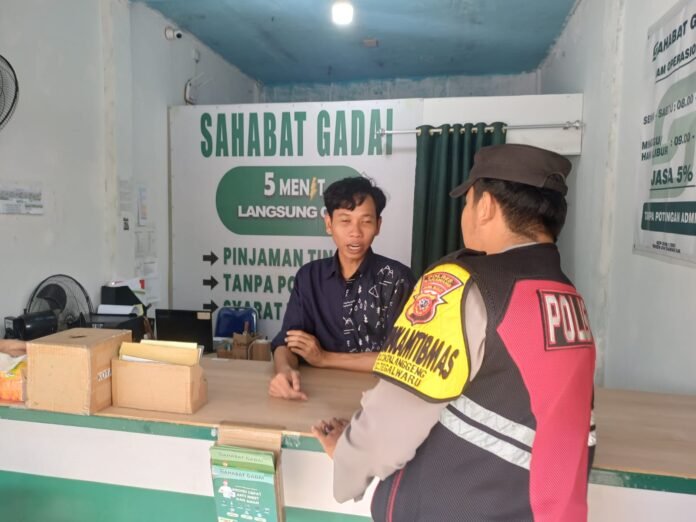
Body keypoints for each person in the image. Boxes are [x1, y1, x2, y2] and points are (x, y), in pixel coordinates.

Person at [312, 144, 597, 522]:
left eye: (467, 203)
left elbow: (391, 423)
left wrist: (348, 454)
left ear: (485, 206)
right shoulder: (567, 296)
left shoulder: (463, 286)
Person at [268, 176, 416, 401]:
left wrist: (324, 358)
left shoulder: (397, 279)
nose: (355, 232)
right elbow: (287, 342)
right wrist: (284, 370)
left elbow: (401, 359)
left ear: (378, 225)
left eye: (366, 221)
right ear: (329, 224)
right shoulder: (309, 277)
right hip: (317, 398)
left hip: (380, 400)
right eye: (345, 221)